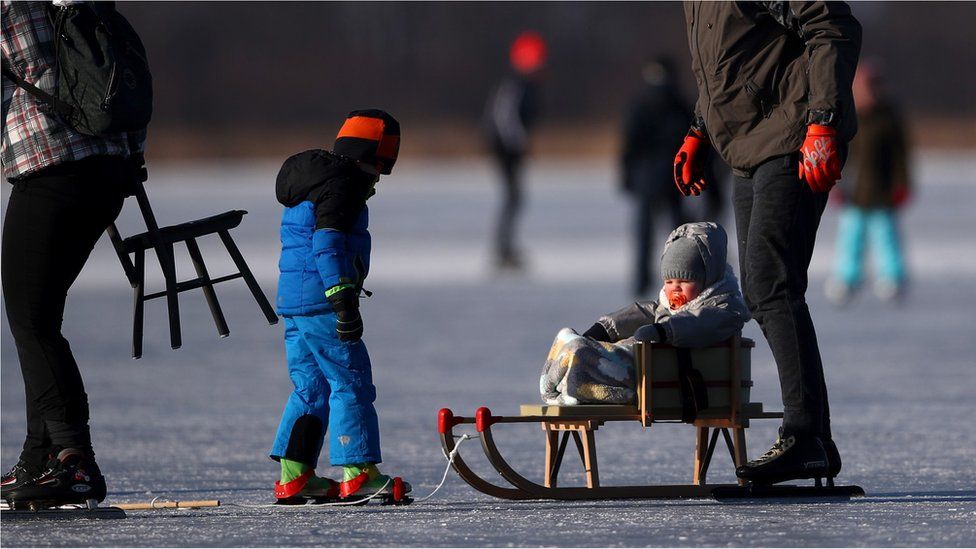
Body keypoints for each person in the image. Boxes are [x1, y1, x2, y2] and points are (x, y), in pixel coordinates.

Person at [673, 2, 861, 485]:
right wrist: (700, 129)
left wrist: (823, 120)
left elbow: (833, 27)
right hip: (746, 149)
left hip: (793, 136)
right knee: (766, 290)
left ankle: (804, 437)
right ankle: (815, 440)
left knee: (770, 283)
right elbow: (729, 63)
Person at [1, 1, 147, 507]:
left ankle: (73, 460)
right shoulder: (83, 6)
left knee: (31, 319)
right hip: (108, 171)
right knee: (40, 316)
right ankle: (40, 459)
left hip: (50, 168)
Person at [270, 109, 411, 504]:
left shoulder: (312, 180)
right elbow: (327, 241)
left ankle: (294, 475)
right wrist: (343, 298)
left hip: (295, 302)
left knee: (310, 388)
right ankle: (359, 472)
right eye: (384, 161)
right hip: (323, 300)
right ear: (375, 153)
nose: (381, 176)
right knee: (351, 382)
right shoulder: (343, 185)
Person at [541, 223, 748, 405]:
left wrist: (664, 331)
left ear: (707, 281)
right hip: (640, 367)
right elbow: (642, 311)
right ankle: (569, 377)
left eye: (684, 282)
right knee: (574, 340)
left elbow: (698, 324)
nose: (675, 289)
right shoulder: (666, 307)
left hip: (649, 378)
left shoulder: (722, 310)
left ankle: (569, 383)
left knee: (581, 350)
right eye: (669, 282)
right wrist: (605, 328)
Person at [826, 60, 912, 305]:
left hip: (882, 190)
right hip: (853, 191)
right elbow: (838, 154)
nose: (869, 91)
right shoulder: (846, 115)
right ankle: (847, 278)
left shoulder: (889, 116)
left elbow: (900, 156)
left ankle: (892, 278)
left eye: (874, 85)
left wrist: (902, 184)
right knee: (850, 237)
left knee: (885, 236)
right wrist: (835, 185)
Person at [620, 57, 691, 296]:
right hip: (673, 179)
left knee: (646, 235)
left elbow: (630, 144)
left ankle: (642, 281)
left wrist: (627, 175)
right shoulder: (680, 105)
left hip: (650, 179)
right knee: (679, 236)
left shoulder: (641, 104)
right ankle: (682, 279)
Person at [483, 31, 546, 271]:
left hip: (510, 148)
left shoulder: (525, 85)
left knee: (514, 198)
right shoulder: (515, 85)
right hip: (505, 149)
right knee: (513, 197)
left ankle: (506, 248)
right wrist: (520, 143)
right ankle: (503, 250)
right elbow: (504, 117)